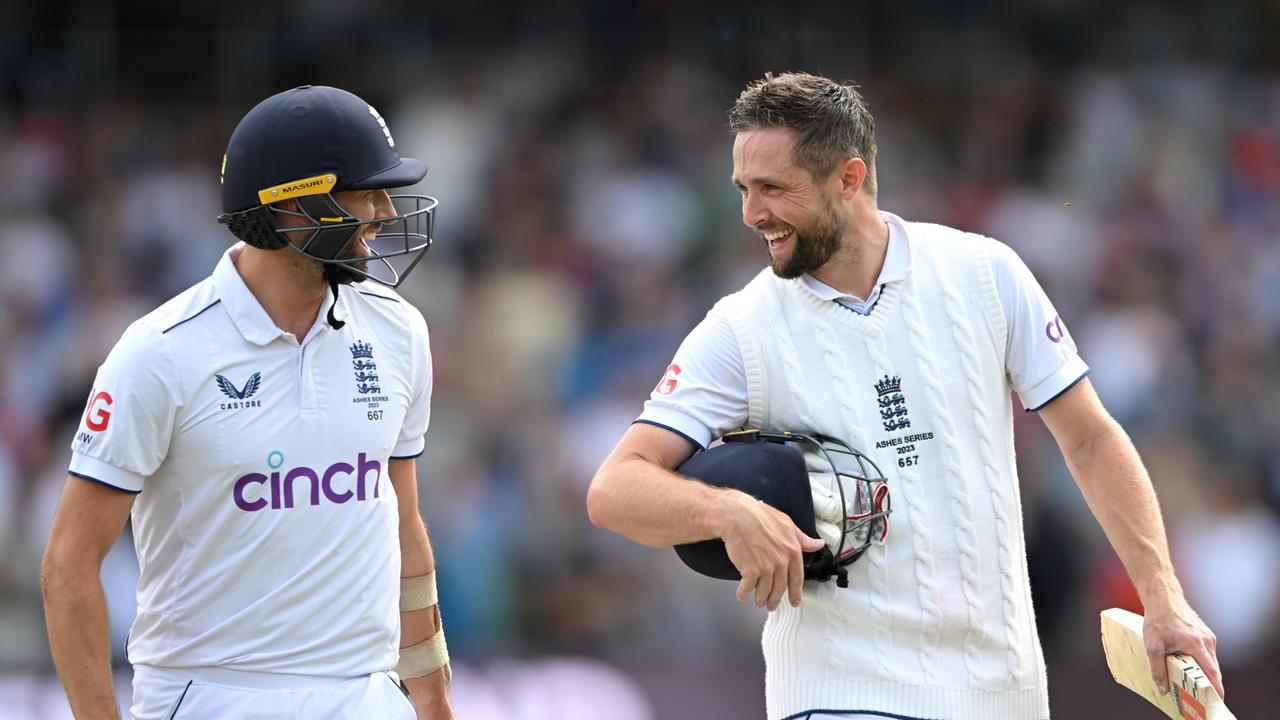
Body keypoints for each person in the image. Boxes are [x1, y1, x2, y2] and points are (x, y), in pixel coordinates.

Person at [586, 72, 1224, 720]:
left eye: (773, 189)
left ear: (849, 178)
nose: (752, 214)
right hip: (838, 695)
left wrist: (1163, 596)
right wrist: (724, 512)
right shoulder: (740, 327)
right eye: (744, 190)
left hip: (1003, 694)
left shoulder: (984, 273)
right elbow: (614, 489)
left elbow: (1089, 439)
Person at [41, 85, 454, 719]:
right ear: (291, 207)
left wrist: (431, 696)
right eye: (364, 191)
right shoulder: (159, 353)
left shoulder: (399, 330)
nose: (384, 211)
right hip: (212, 695)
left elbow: (403, 527)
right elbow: (69, 564)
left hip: (367, 692)